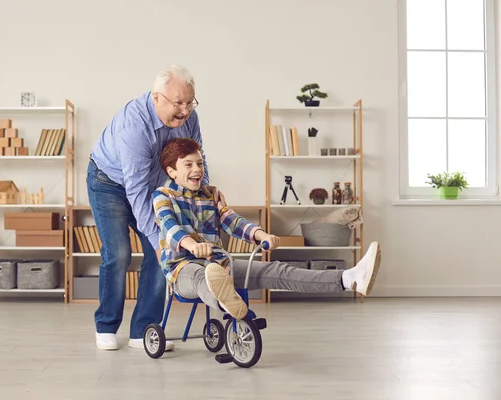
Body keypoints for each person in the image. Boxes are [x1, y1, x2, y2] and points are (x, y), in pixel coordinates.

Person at [152, 138, 382, 318]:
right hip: (182, 269)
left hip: (219, 264)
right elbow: (169, 226)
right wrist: (192, 245)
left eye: (200, 163)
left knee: (276, 270)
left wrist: (262, 234)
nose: (197, 169)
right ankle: (227, 302)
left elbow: (232, 220)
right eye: (188, 164)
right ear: (171, 171)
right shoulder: (162, 196)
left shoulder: (209, 196)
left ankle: (349, 278)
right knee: (203, 276)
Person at [87, 65, 226, 351]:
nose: (185, 110)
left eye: (190, 102)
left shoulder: (189, 118)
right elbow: (135, 190)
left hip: (150, 184)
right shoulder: (134, 126)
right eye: (178, 103)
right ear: (157, 98)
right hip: (109, 183)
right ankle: (106, 325)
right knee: (119, 254)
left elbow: (197, 159)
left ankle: (143, 330)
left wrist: (204, 193)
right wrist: (161, 241)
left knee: (161, 251)